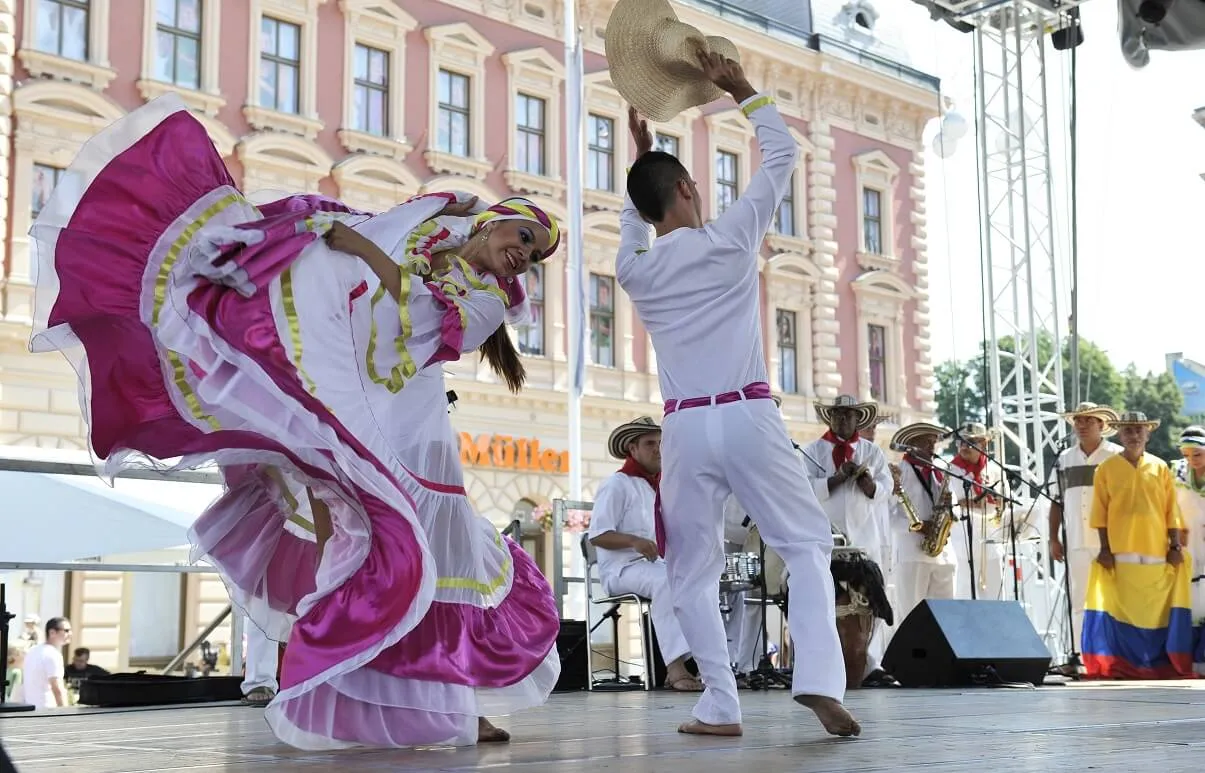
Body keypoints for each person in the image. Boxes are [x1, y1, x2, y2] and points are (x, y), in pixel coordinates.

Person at [28, 93, 561, 748]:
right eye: (524, 238)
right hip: (379, 409)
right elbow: (385, 240)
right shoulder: (433, 238)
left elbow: (406, 306)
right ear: (499, 223)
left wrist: (362, 249)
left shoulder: (487, 302)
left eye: (534, 257)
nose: (524, 257)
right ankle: (402, 697)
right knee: (378, 544)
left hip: (415, 428)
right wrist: (391, 222)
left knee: (436, 553)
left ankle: (459, 701)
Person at [615, 48, 859, 736]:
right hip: (749, 414)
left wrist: (643, 155)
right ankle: (816, 680)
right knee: (805, 545)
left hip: (684, 429)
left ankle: (719, 702)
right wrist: (741, 89)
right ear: (690, 189)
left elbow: (635, 222)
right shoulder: (729, 239)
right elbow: (780, 156)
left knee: (689, 571)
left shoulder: (636, 271)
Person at [587, 417, 702, 691]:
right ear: (632, 448)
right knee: (665, 582)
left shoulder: (661, 487)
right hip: (621, 570)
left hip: (655, 567)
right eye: (650, 443)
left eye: (661, 443)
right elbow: (597, 535)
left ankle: (706, 663)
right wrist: (635, 541)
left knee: (697, 582)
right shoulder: (617, 484)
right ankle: (675, 668)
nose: (658, 449)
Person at [1082, 412, 1193, 679]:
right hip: (1122, 550)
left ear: (1148, 433)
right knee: (1125, 609)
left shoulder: (1160, 467)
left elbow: (1171, 510)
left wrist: (1175, 546)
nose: (1134, 436)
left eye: (1139, 431)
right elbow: (1100, 512)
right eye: (1128, 431)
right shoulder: (1106, 469)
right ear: (1120, 434)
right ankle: (1128, 663)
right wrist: (1105, 549)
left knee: (1155, 609)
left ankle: (1155, 663)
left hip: (1156, 549)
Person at [802, 395, 897, 688]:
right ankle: (827, 664)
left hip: (863, 537)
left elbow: (885, 488)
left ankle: (868, 662)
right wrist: (836, 479)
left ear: (858, 419)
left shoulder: (872, 452)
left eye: (848, 415)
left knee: (872, 598)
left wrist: (868, 482)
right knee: (825, 602)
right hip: (824, 538)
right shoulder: (812, 450)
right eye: (837, 415)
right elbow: (803, 487)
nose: (842, 420)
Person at [1049, 401, 1121, 665]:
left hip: (1112, 542)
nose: (1081, 425)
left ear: (1102, 425)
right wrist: (1053, 538)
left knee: (1113, 600)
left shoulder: (1116, 455)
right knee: (1079, 600)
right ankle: (1081, 654)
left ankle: (1115, 657)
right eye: (1078, 420)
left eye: (1088, 420)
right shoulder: (1065, 458)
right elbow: (1055, 502)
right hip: (1077, 540)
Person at [887, 423, 958, 622]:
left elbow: (956, 509)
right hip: (912, 554)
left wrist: (949, 510)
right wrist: (916, 526)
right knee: (911, 620)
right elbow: (886, 516)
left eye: (933, 442)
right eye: (926, 442)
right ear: (911, 444)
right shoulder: (898, 473)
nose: (932, 446)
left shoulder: (940, 473)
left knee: (946, 620)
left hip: (943, 555)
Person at [1170, 425, 1205, 672]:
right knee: (1193, 601)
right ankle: (1192, 661)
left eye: (1197, 454)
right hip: (1188, 541)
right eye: (1186, 454)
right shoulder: (1176, 472)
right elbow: (1169, 505)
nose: (1191, 460)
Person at [22, 618, 70, 710]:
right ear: (52, 632)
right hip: (48, 711)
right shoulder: (53, 654)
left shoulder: (33, 651)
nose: (70, 634)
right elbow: (57, 688)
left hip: (30, 709)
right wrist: (66, 714)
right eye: (66, 630)